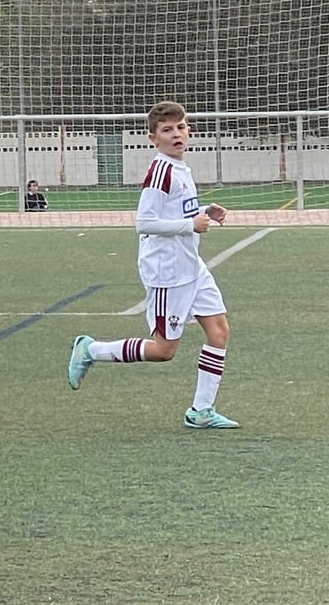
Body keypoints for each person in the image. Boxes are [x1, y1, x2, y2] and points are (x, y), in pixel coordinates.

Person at [67, 100, 237, 429]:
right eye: (167, 130)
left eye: (181, 127)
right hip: (167, 272)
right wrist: (190, 225)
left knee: (218, 332)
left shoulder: (180, 168)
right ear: (153, 138)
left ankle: (201, 411)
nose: (176, 134)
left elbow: (175, 211)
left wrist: (203, 211)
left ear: (189, 130)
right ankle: (91, 350)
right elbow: (144, 222)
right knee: (163, 350)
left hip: (191, 266)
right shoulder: (160, 171)